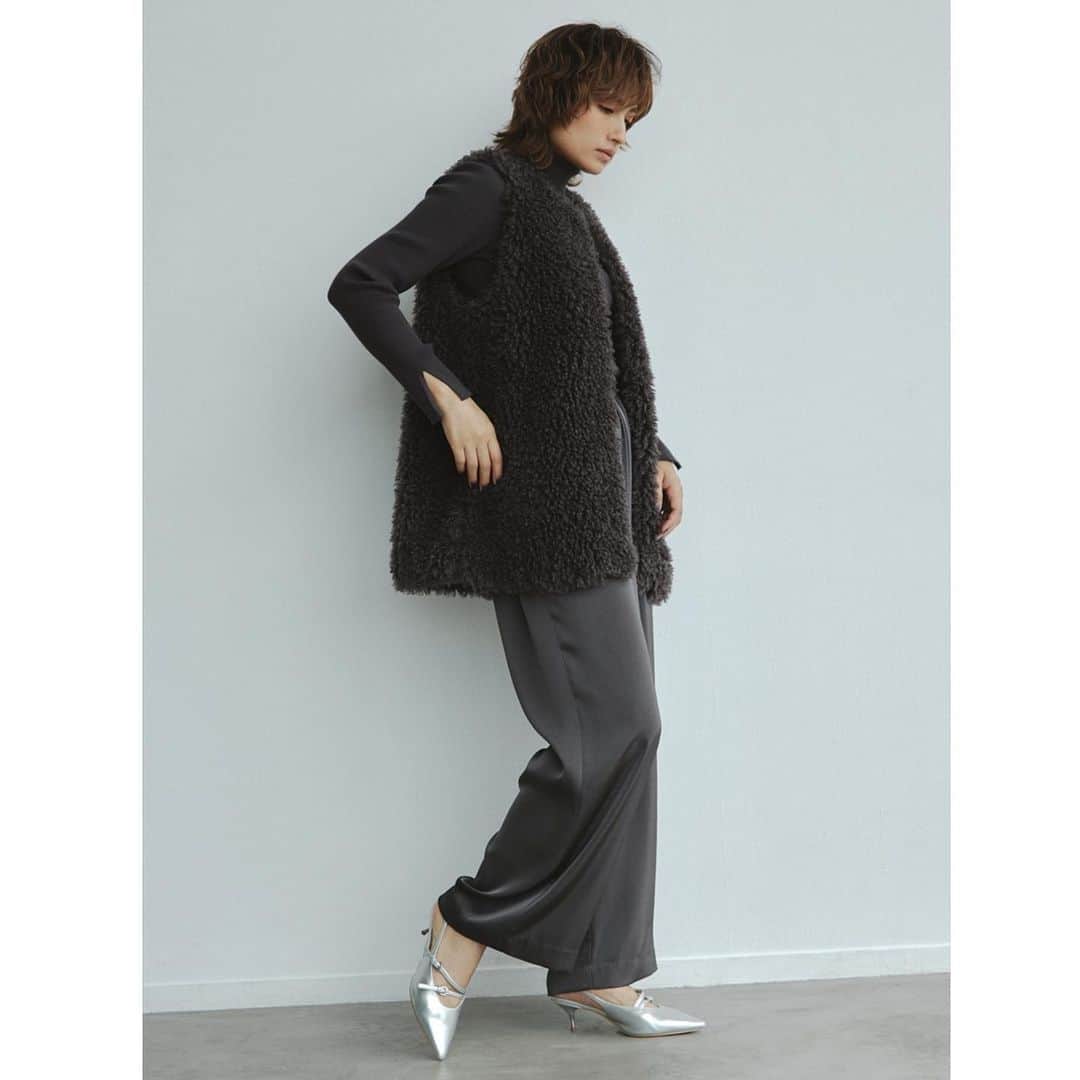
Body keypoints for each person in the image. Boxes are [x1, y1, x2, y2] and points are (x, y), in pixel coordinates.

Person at [328, 22, 703, 1060]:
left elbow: (586, 366)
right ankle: (464, 922)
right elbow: (361, 283)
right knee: (613, 731)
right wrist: (447, 397)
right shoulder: (486, 188)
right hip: (547, 511)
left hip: (606, 503)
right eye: (609, 108)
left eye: (632, 119)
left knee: (633, 739)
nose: (621, 133)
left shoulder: (566, 215)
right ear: (557, 93)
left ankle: (602, 968)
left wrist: (655, 449)